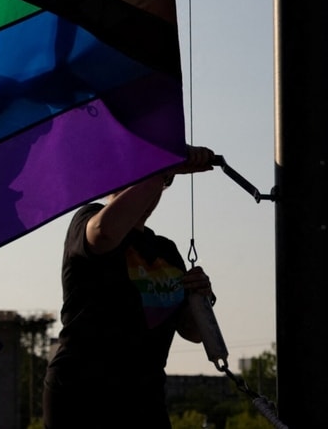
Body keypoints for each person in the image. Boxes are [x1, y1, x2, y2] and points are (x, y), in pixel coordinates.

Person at [42, 147, 218, 429]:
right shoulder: (88, 220)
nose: (155, 189)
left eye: (164, 181)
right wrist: (163, 164)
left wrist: (202, 297)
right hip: (82, 397)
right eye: (148, 177)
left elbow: (193, 332)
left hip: (145, 400)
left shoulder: (166, 251)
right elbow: (105, 233)